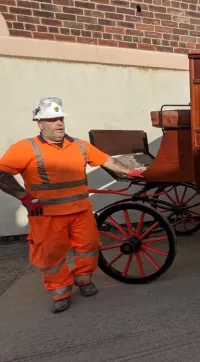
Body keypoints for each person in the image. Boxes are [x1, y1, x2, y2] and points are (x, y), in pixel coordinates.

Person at [0, 97, 146, 313]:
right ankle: (60, 292)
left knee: (88, 248)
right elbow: (2, 173)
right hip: (47, 216)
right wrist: (25, 197)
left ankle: (84, 280)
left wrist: (132, 171)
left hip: (80, 212)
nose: (59, 123)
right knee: (52, 257)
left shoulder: (78, 145)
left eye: (60, 118)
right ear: (39, 123)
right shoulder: (25, 148)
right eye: (51, 119)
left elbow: (107, 161)